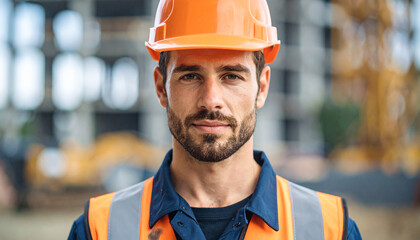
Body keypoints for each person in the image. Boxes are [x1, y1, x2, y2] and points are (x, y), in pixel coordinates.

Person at [68, 0, 362, 239]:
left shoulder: (331, 229)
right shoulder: (98, 229)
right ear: (161, 87)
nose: (211, 100)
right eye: (191, 76)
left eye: (231, 76)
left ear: (261, 87)